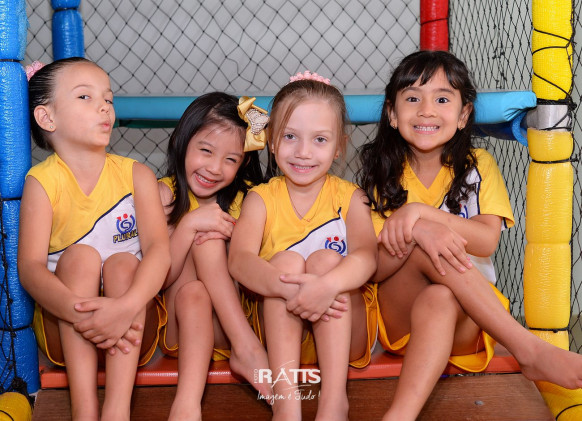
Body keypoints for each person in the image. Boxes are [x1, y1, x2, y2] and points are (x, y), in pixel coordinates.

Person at [357, 50, 582, 421]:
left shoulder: (478, 166)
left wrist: (420, 214)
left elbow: (485, 241)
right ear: (392, 114)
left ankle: (399, 416)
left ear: (463, 115)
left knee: (440, 295)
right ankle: (528, 349)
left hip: (467, 321)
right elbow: (374, 268)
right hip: (399, 319)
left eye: (442, 99)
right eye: (412, 99)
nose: (426, 110)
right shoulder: (380, 174)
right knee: (425, 245)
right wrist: (419, 232)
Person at [18, 57, 170, 421]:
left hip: (133, 327)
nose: (104, 107)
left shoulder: (136, 175)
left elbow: (160, 252)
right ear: (47, 118)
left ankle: (117, 410)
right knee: (80, 258)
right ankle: (84, 409)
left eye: (108, 98)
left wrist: (124, 307)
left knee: (123, 263)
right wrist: (82, 314)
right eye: (85, 97)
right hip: (68, 328)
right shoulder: (42, 182)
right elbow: (30, 268)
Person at [228, 71, 378, 421]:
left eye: (320, 139)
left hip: (343, 334)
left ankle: (334, 402)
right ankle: (286, 402)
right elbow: (239, 260)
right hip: (279, 334)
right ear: (271, 140)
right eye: (290, 136)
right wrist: (288, 287)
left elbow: (367, 256)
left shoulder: (351, 198)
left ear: (339, 145)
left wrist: (325, 286)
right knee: (285, 263)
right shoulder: (260, 199)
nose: (303, 152)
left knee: (327, 261)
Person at [157, 92, 272, 420]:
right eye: (205, 151)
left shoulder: (248, 200)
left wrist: (233, 239)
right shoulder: (163, 195)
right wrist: (188, 226)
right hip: (179, 327)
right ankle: (189, 402)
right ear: (181, 142)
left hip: (229, 324)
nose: (214, 168)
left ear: (244, 163)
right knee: (197, 267)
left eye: (230, 160)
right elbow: (157, 280)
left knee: (209, 240)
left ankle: (244, 347)